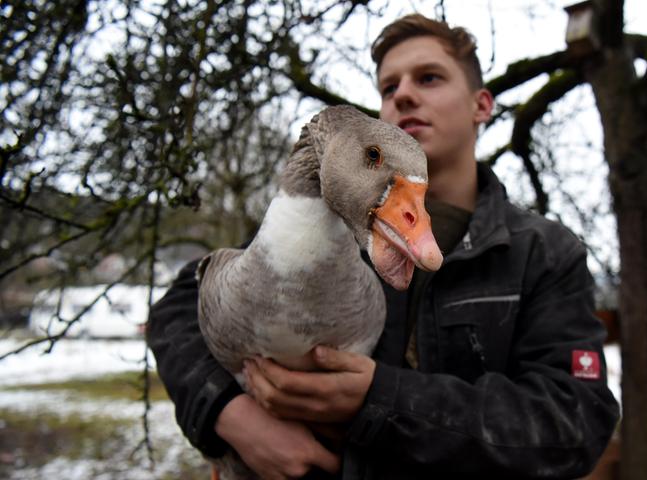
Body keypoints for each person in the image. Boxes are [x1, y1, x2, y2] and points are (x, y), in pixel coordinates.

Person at [148, 13, 619, 480]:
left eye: (429, 78)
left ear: (481, 105)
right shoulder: (323, 230)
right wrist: (228, 414)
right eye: (388, 88)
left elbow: (574, 421)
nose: (404, 95)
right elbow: (179, 312)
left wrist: (383, 399)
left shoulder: (544, 252)